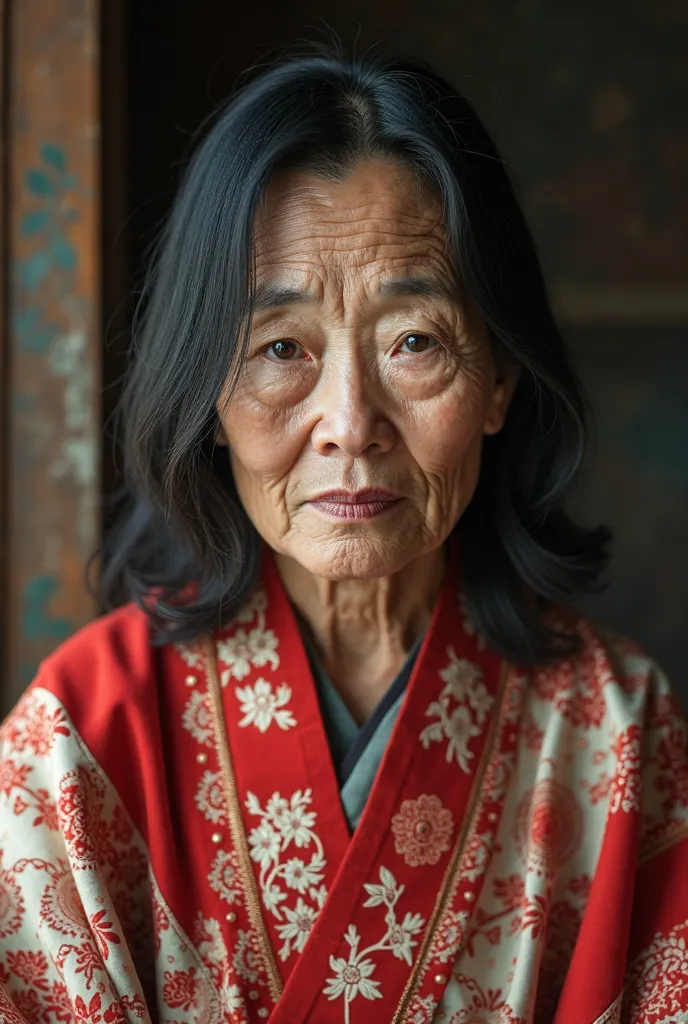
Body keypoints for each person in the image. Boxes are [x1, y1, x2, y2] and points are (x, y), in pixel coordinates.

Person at [0, 44, 685, 1024]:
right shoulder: (82, 738)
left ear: (497, 380)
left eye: (414, 341)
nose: (350, 421)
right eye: (281, 348)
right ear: (206, 394)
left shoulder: (613, 731)